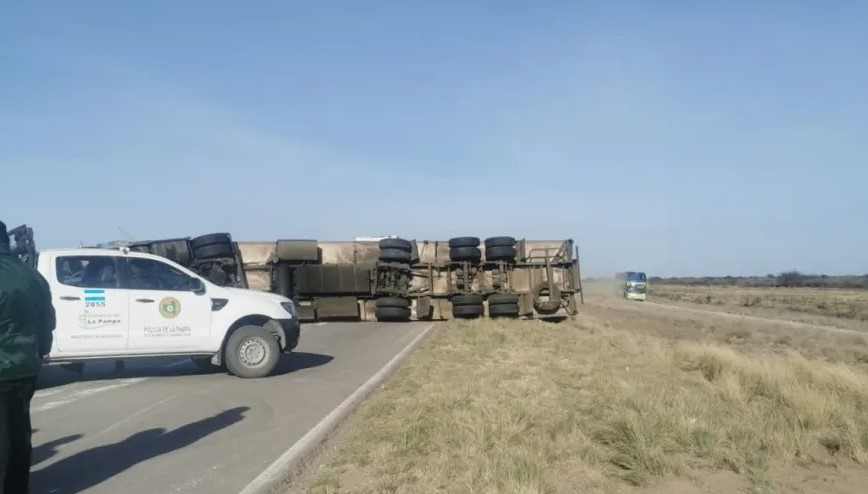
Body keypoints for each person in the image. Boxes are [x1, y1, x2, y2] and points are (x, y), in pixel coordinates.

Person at [0, 221, 56, 494]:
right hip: (25, 368)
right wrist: (41, 350)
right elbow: (47, 319)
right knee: (19, 433)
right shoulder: (31, 275)